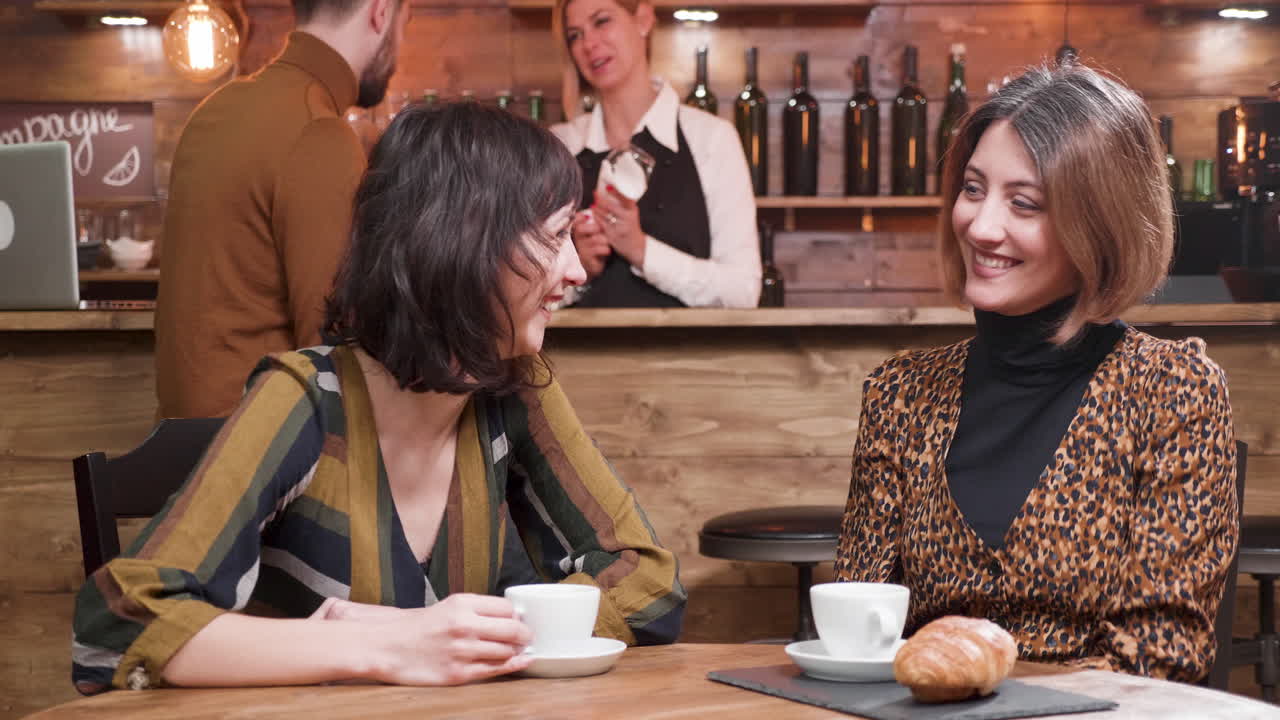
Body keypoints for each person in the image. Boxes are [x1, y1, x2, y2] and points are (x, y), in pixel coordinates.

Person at [71, 103, 686, 694]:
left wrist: (480, 643)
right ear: (464, 244)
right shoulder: (306, 399)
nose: (577, 272)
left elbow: (648, 584)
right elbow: (119, 625)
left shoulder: (515, 386)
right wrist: (384, 647)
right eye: (555, 238)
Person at [834, 62, 1238, 683]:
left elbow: (1162, 655)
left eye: (1022, 203)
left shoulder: (1172, 390)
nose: (981, 225)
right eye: (973, 189)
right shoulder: (901, 394)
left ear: (1099, 228)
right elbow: (861, 626)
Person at [155, 0, 409, 419]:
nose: (399, 46)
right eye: (406, 23)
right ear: (381, 12)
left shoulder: (213, 111)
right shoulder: (318, 132)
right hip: (258, 463)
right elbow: (337, 357)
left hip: (187, 461)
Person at [549, 0, 761, 308]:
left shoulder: (712, 139)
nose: (589, 44)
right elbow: (524, 301)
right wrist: (577, 269)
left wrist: (641, 250)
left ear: (644, 19)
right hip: (577, 356)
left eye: (602, 21)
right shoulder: (559, 146)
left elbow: (742, 293)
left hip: (690, 356)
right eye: (574, 35)